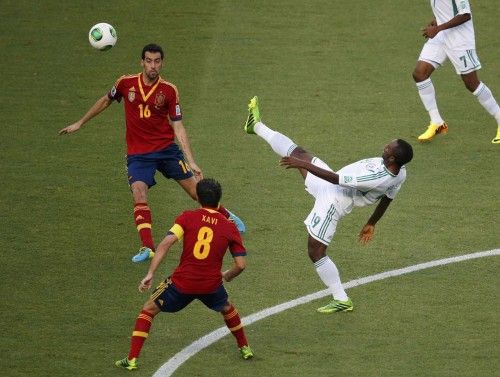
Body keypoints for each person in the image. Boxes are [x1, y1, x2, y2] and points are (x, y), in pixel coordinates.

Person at [59, 43, 245, 263]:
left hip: (166, 150)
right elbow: (106, 100)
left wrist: (191, 161)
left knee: (197, 193)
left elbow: (178, 126)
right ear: (142, 62)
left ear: (162, 63)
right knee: (139, 192)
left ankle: (228, 217)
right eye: (149, 61)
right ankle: (147, 247)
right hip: (138, 155)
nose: (153, 66)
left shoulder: (169, 90)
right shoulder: (125, 83)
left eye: (157, 61)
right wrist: (80, 122)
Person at [243, 96, 413, 313]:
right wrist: (372, 223)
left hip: (333, 200)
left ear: (392, 159)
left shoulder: (380, 177)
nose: (384, 147)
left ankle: (341, 298)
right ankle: (255, 126)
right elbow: (388, 198)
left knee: (315, 251)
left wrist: (301, 165)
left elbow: (335, 179)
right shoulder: (401, 172)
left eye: (388, 148)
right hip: (331, 186)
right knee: (298, 151)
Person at [115, 178, 254, 371]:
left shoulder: (187, 217)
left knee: (148, 310)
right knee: (227, 308)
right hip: (211, 285)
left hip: (181, 283)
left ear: (198, 199)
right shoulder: (229, 227)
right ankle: (245, 347)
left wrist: (150, 273)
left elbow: (165, 244)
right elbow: (241, 264)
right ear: (219, 200)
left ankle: (132, 359)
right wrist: (228, 275)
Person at [413, 0, 500, 144]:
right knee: (419, 74)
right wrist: (438, 21)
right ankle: (437, 122)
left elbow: (465, 14)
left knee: (472, 83)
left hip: (459, 39)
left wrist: (439, 28)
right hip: (441, 36)